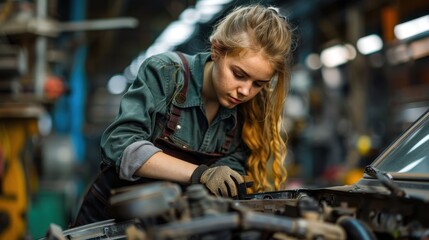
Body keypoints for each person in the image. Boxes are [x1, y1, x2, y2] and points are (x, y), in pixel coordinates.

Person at [72, 4, 294, 227]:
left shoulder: (245, 107)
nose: (245, 91)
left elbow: (231, 168)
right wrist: (200, 174)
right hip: (110, 223)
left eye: (258, 84)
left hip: (172, 226)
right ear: (216, 50)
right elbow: (120, 146)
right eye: (238, 75)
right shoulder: (166, 74)